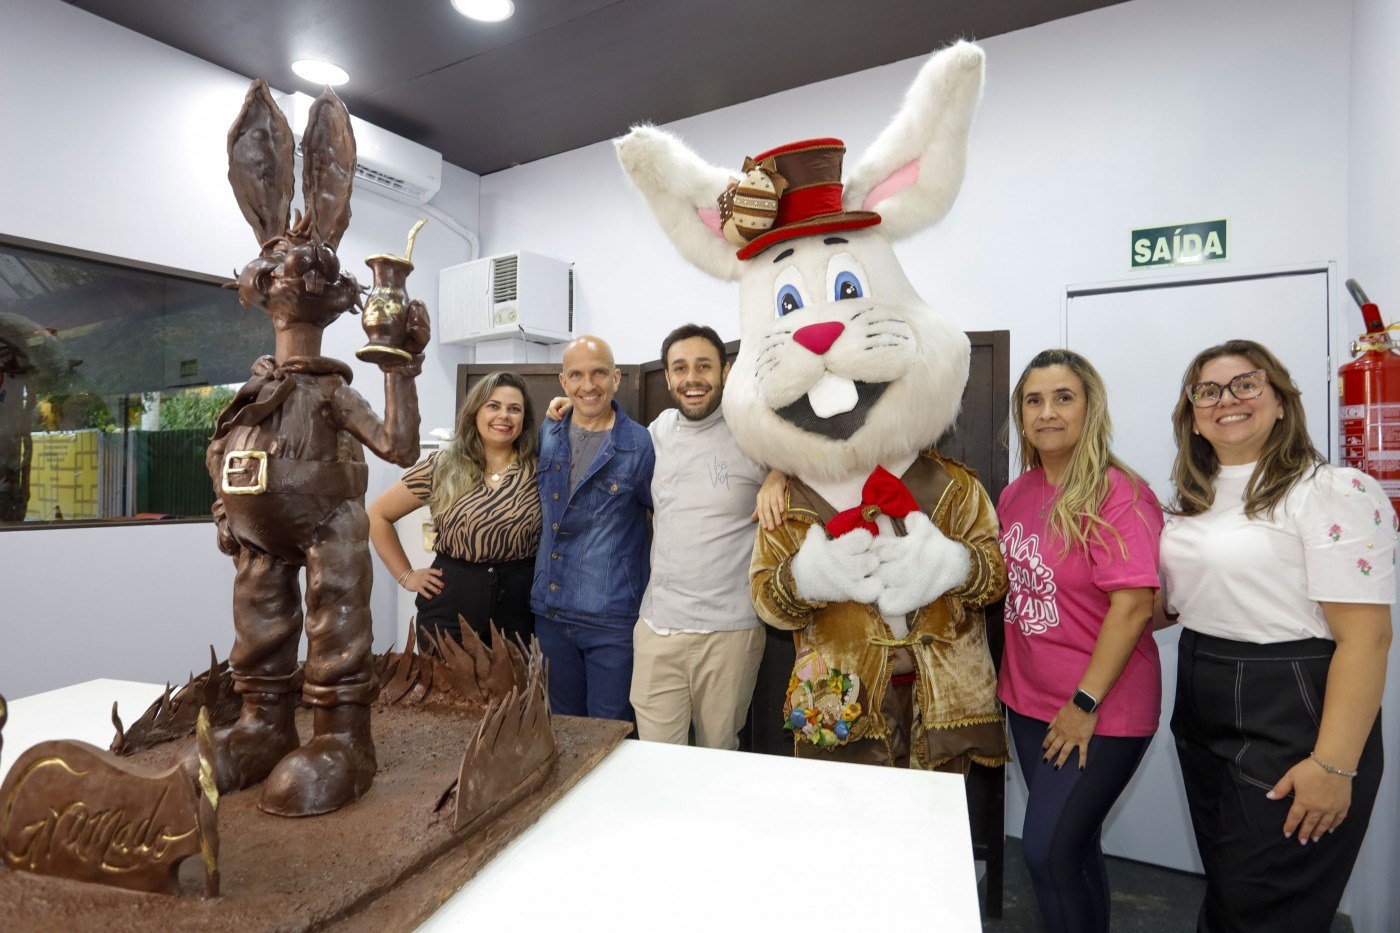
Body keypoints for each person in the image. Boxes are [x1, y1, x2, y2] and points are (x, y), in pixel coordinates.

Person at [1159, 339, 1394, 933]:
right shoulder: (1194, 499)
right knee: (1232, 891)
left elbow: (1366, 640)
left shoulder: (1330, 492)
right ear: (1191, 412)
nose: (1226, 400)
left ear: (1282, 401)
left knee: (1265, 911)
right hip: (1203, 693)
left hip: (1293, 708)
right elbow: (1181, 604)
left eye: (1245, 384)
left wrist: (1335, 766)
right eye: (1206, 390)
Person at [549, 324, 786, 748]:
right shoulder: (655, 434)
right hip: (657, 629)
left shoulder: (754, 435)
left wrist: (779, 474)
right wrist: (570, 406)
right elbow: (606, 429)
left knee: (718, 756)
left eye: (703, 367)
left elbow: (809, 459)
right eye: (680, 368)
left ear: (725, 371)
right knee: (653, 759)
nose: (691, 378)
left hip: (728, 633)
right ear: (668, 376)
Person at [996, 349, 1163, 933]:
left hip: (1098, 708)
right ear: (1020, 414)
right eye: (1033, 400)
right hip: (1027, 701)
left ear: (1090, 408)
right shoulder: (1016, 494)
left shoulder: (1119, 493)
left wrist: (1083, 704)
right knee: (1073, 847)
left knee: (1045, 852)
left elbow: (1135, 603)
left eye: (1063, 397)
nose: (1047, 412)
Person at [367, 371, 541, 649]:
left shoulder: (540, 469)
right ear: (475, 412)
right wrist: (407, 576)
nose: (504, 416)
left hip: (518, 610)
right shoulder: (443, 465)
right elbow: (377, 515)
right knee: (447, 691)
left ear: (525, 419)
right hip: (451, 607)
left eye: (514, 409)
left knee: (515, 691)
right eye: (493, 406)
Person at [533, 335, 655, 721]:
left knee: (609, 735)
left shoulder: (640, 444)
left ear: (616, 378)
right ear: (563, 382)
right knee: (562, 730)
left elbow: (661, 517)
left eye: (599, 372)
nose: (589, 385)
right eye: (577, 375)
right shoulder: (549, 433)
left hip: (611, 619)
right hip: (550, 614)